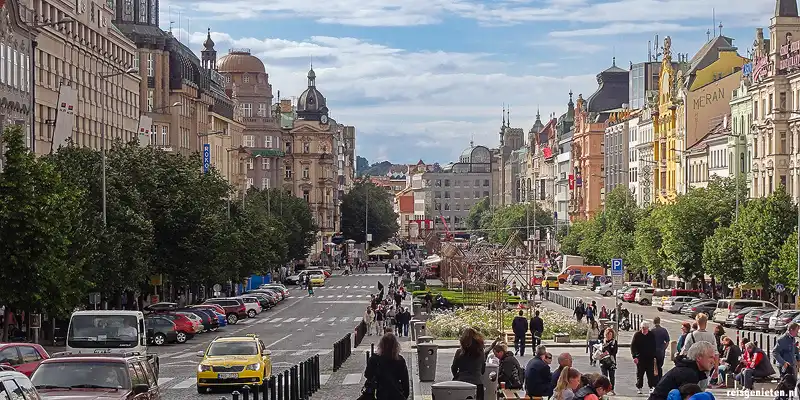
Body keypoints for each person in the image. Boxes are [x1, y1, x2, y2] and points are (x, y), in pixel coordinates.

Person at [649, 341, 715, 400]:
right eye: (711, 357)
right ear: (699, 358)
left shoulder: (687, 369)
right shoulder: (689, 374)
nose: (713, 361)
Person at [363, 333, 410, 400]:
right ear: (396, 345)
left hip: (380, 394)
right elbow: (405, 382)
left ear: (381, 345)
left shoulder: (374, 359)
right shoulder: (400, 360)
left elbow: (367, 375)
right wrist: (404, 396)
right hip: (396, 394)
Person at [451, 328, 495, 400]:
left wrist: (458, 376)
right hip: (477, 383)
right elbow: (482, 370)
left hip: (461, 383)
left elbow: (454, 368)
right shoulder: (480, 353)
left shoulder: (459, 352)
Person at [631, 321, 658, 394]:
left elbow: (654, 346)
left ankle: (651, 387)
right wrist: (635, 356)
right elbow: (633, 346)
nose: (644, 330)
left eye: (645, 328)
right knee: (640, 373)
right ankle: (639, 387)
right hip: (640, 358)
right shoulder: (637, 335)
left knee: (650, 374)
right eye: (642, 328)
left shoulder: (651, 335)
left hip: (649, 358)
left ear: (648, 328)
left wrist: (654, 356)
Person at [598, 328, 618, 393]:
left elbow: (614, 352)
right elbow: (599, 351)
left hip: (611, 362)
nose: (608, 336)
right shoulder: (602, 342)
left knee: (612, 376)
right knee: (604, 376)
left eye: (610, 334)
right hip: (603, 362)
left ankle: (612, 389)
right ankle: (605, 389)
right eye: (607, 334)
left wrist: (608, 351)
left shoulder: (614, 342)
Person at [652, 317, 671, 381]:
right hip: (661, 352)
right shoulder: (664, 330)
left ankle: (654, 380)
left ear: (653, 322)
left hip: (653, 351)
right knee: (659, 367)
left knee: (654, 367)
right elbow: (667, 341)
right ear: (659, 322)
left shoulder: (652, 331)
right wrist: (664, 348)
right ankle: (660, 379)